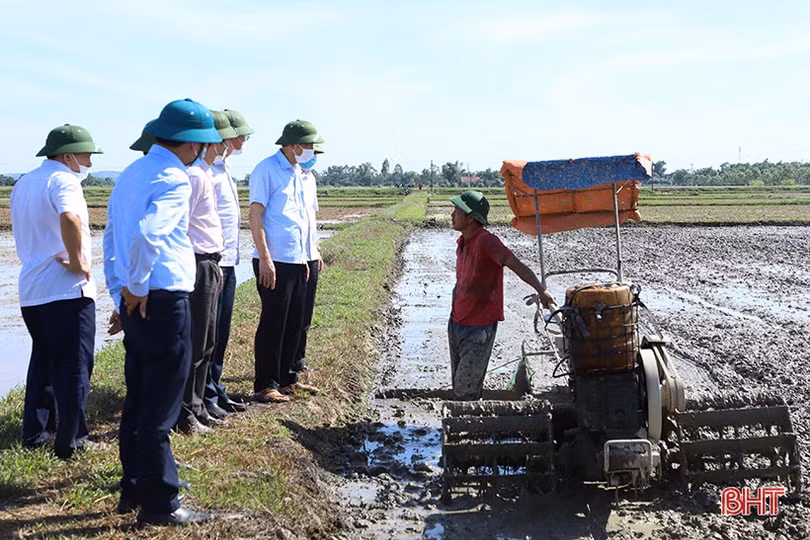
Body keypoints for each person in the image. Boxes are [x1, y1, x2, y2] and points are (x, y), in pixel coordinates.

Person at [104, 98, 220, 525]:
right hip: (164, 297)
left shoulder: (131, 174)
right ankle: (161, 504)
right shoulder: (175, 177)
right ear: (190, 144)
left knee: (138, 395)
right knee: (161, 404)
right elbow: (149, 236)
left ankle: (134, 487)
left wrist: (123, 292)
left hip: (138, 298)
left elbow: (113, 239)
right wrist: (136, 286)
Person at [11, 124, 102, 459]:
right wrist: (79, 261)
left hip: (32, 290)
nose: (90, 162)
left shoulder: (24, 182)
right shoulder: (64, 180)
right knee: (75, 365)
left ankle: (36, 434)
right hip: (65, 290)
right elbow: (70, 217)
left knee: (44, 362)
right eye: (86, 155)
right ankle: (72, 440)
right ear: (68, 155)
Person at [448, 190, 555, 400]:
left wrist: (541, 290)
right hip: (456, 322)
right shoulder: (463, 242)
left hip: (478, 327)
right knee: (462, 385)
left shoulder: (487, 241)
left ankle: (467, 427)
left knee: (464, 389)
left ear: (470, 218)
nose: (452, 214)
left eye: (457, 210)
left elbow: (515, 264)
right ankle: (469, 421)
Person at [248, 120, 322, 403]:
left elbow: (302, 220)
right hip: (275, 259)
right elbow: (256, 214)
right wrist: (265, 257)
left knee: (294, 322)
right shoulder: (266, 169)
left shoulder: (298, 172)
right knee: (273, 322)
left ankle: (289, 378)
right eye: (309, 145)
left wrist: (308, 256)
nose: (312, 150)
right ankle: (265, 384)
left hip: (297, 258)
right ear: (292, 145)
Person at [175, 110, 234, 434]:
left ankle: (197, 406)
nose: (223, 146)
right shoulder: (195, 176)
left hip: (210, 262)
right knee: (196, 341)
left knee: (207, 341)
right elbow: (181, 226)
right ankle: (187, 412)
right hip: (197, 262)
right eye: (219, 142)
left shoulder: (206, 173)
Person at [203, 109, 254, 415]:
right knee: (207, 335)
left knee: (221, 331)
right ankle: (205, 394)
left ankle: (215, 387)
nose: (244, 140)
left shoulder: (224, 168)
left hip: (229, 261)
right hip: (213, 262)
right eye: (241, 134)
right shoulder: (206, 171)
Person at [292, 144, 324, 373]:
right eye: (311, 152)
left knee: (305, 312)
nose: (313, 157)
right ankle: (286, 361)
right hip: (294, 255)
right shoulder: (291, 177)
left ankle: (298, 359)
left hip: (310, 253)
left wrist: (316, 249)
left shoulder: (310, 179)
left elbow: (310, 219)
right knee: (291, 312)